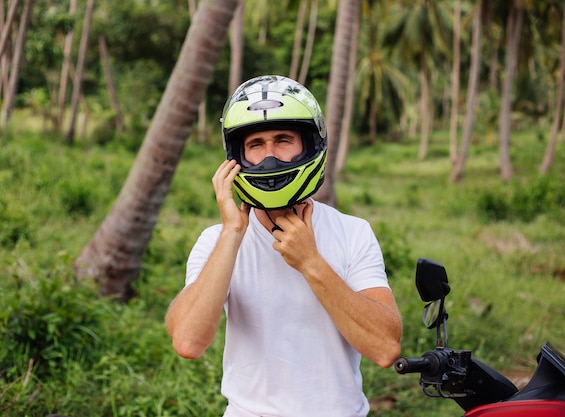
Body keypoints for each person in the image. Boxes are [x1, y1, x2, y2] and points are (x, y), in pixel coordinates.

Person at [165, 75, 402, 417]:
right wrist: (232, 233)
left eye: (283, 140)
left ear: (309, 144)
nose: (270, 157)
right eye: (256, 145)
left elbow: (384, 348)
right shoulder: (215, 241)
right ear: (237, 157)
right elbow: (187, 342)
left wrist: (311, 262)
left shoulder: (353, 233)